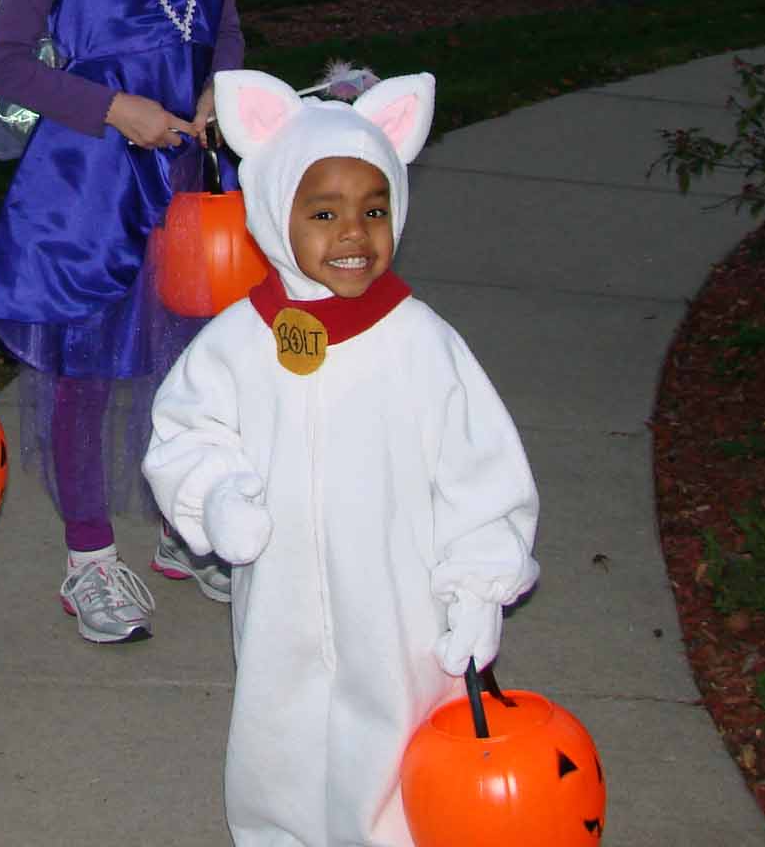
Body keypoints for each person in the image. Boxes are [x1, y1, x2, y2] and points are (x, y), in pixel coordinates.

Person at [145, 68, 541, 846]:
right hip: (281, 603)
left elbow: (479, 470)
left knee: (392, 750)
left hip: (399, 606)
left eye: (374, 210)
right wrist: (218, 494)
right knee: (278, 738)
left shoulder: (421, 343)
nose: (353, 234)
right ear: (272, 210)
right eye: (323, 213)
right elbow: (187, 430)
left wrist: (476, 584)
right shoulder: (239, 342)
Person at [0, 0, 245, 644]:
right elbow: (7, 65)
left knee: (191, 360)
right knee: (85, 370)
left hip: (189, 181)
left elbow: (227, 30)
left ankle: (181, 526)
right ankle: (89, 557)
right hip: (86, 189)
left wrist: (221, 91)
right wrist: (109, 109)